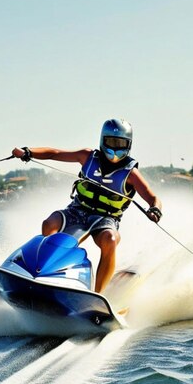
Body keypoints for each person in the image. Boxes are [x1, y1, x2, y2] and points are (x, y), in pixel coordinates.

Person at [12, 119, 162, 294]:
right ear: (102, 140)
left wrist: (155, 209)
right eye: (110, 142)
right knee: (49, 224)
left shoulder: (131, 174)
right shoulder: (87, 157)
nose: (114, 148)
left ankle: (98, 294)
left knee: (110, 240)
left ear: (128, 145)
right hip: (77, 210)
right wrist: (28, 152)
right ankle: (42, 272)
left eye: (120, 143)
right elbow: (55, 153)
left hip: (105, 219)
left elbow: (152, 197)